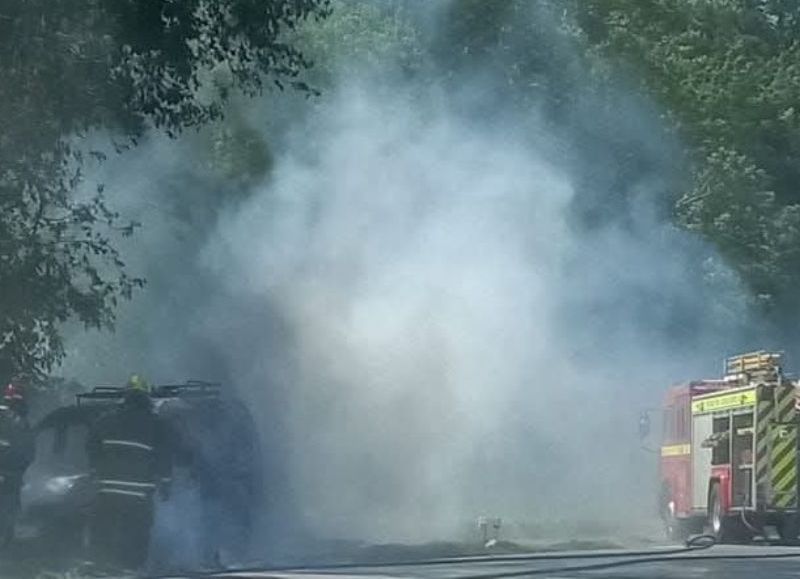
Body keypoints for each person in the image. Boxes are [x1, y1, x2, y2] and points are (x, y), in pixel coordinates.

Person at [86, 375, 172, 569]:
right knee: (136, 537)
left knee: (103, 534)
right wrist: (166, 484)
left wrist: (95, 469)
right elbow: (165, 458)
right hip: (139, 495)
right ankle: (130, 569)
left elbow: (92, 446)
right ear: (146, 397)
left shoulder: (106, 420)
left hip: (107, 493)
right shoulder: (157, 425)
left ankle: (99, 568)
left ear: (125, 396)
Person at [0, 379, 35, 545]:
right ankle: (7, 537)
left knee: (9, 505)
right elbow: (28, 450)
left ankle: (7, 536)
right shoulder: (21, 421)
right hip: (12, 471)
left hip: (11, 471)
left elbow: (28, 450)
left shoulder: (19, 421)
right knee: (9, 505)